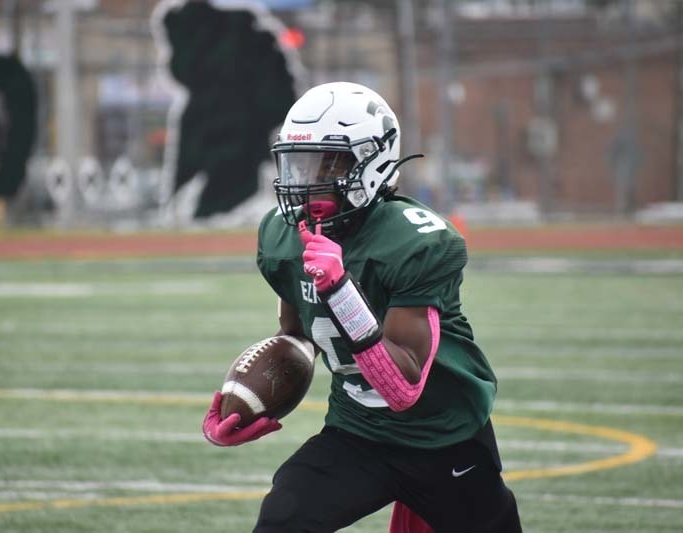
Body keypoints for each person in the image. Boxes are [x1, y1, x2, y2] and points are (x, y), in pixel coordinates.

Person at [202, 81, 522, 533]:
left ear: (374, 162)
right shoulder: (282, 237)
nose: (305, 184)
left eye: (326, 166)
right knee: (283, 518)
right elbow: (297, 336)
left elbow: (402, 387)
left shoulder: (416, 242)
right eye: (298, 166)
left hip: (444, 438)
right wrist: (250, 400)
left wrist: (341, 289)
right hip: (359, 433)